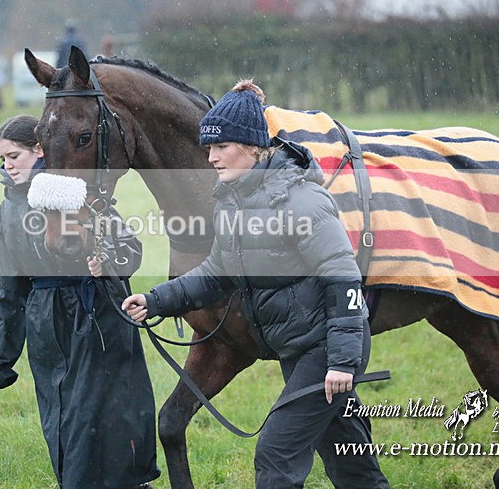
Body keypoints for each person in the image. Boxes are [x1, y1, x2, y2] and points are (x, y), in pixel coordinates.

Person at [122, 82, 389, 488]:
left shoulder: (301, 200)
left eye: (221, 147)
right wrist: (156, 300)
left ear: (251, 146)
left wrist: (340, 361)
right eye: (208, 148)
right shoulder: (233, 202)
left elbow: (343, 277)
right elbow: (218, 272)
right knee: (351, 464)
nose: (211, 157)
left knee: (276, 454)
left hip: (324, 349)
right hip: (297, 347)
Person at [0, 114, 160, 489]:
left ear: (39, 149)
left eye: (14, 156)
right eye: (2, 159)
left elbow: (130, 250)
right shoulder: (9, 208)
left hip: (98, 318)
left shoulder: (78, 192)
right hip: (47, 326)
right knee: (62, 420)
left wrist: (106, 261)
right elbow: (9, 286)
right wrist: (1, 353)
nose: (8, 165)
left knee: (102, 418)